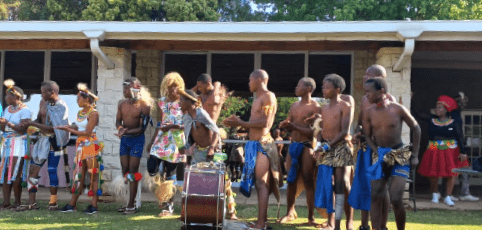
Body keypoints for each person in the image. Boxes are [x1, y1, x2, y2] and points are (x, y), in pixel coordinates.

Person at [224, 69, 281, 229]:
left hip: (263, 144)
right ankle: (260, 221)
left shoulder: (269, 96)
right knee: (258, 183)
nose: (248, 84)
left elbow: (265, 123)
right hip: (253, 145)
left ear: (258, 80)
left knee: (262, 183)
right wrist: (238, 123)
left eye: (250, 80)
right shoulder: (257, 99)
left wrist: (240, 123)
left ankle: (262, 223)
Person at [363, 77, 421, 230]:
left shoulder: (397, 109)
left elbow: (416, 128)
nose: (366, 95)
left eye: (369, 92)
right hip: (380, 154)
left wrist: (414, 155)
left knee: (396, 198)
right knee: (375, 195)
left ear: (381, 91)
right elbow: (367, 136)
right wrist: (377, 152)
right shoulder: (369, 112)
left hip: (399, 155)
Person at [348, 64, 395, 230]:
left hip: (380, 149)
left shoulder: (389, 100)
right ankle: (364, 225)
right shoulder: (364, 99)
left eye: (368, 75)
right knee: (363, 185)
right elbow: (360, 123)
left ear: (379, 79)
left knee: (380, 187)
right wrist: (357, 134)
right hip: (365, 149)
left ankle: (382, 225)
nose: (364, 78)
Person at [180, 89, 238, 220]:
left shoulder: (201, 114)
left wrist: (211, 148)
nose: (179, 102)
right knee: (196, 182)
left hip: (214, 152)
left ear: (190, 102)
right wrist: (183, 148)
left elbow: (216, 131)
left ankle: (231, 211)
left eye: (182, 100)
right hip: (198, 153)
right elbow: (190, 137)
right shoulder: (186, 117)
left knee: (224, 180)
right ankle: (195, 211)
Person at [19, 80, 70, 211]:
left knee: (52, 170)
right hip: (42, 141)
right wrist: (29, 123)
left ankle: (53, 203)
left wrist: (33, 124)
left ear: (52, 92)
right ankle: (32, 202)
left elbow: (54, 129)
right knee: (32, 170)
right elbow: (39, 119)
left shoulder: (61, 107)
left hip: (55, 142)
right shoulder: (43, 103)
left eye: (43, 93)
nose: (41, 95)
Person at [313, 74, 354, 230]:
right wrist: (318, 145)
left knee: (342, 184)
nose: (323, 89)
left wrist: (326, 147)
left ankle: (348, 221)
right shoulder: (323, 107)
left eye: (326, 87)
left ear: (337, 90)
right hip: (326, 148)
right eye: (322, 86)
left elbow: (344, 131)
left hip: (340, 147)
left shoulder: (345, 106)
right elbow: (320, 129)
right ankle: (334, 223)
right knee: (328, 185)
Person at [278, 77, 321, 227]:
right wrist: (285, 124)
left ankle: (311, 216)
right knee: (290, 180)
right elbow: (290, 121)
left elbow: (313, 132)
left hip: (307, 146)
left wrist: (294, 127)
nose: (296, 88)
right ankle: (290, 212)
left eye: (299, 85)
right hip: (293, 145)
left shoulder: (316, 107)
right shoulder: (294, 105)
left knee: (309, 181)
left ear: (309, 89)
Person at [417, 95, 470, 206]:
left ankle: (448, 197)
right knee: (433, 174)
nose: (437, 109)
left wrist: (463, 152)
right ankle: (435, 194)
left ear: (447, 110)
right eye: (436, 107)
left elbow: (460, 137)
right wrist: (411, 99)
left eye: (440, 107)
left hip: (451, 151)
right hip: (433, 149)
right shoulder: (431, 120)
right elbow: (417, 113)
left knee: (451, 173)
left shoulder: (454, 122)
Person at [58, 83, 103, 214]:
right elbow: (78, 129)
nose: (77, 100)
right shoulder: (79, 113)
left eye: (79, 98)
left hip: (90, 145)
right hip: (80, 145)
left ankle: (94, 206)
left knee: (93, 174)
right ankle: (72, 204)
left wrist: (69, 130)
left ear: (87, 99)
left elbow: (88, 132)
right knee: (79, 175)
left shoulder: (93, 113)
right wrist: (67, 128)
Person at [146, 72, 185, 217]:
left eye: (175, 86)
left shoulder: (184, 102)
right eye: (169, 87)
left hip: (176, 140)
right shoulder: (162, 102)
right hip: (161, 139)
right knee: (151, 167)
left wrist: (171, 127)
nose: (172, 90)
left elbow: (186, 125)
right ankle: (161, 192)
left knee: (170, 174)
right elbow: (160, 123)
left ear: (180, 87)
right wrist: (151, 141)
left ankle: (168, 206)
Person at [115, 77, 152, 214]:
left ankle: (131, 204)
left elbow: (142, 128)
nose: (124, 91)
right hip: (125, 140)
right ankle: (128, 202)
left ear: (135, 89)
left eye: (126, 88)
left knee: (133, 171)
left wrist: (126, 131)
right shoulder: (122, 104)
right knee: (125, 170)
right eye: (124, 88)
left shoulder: (144, 106)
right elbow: (118, 121)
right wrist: (120, 129)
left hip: (137, 140)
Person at [0, 80, 30, 210]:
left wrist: (7, 123)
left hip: (18, 143)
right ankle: (6, 202)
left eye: (8, 95)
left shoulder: (25, 111)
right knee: (5, 172)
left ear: (16, 96)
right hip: (7, 143)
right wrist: (2, 123)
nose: (6, 97)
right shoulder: (7, 109)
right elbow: (3, 128)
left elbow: (22, 130)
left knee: (15, 172)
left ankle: (17, 202)